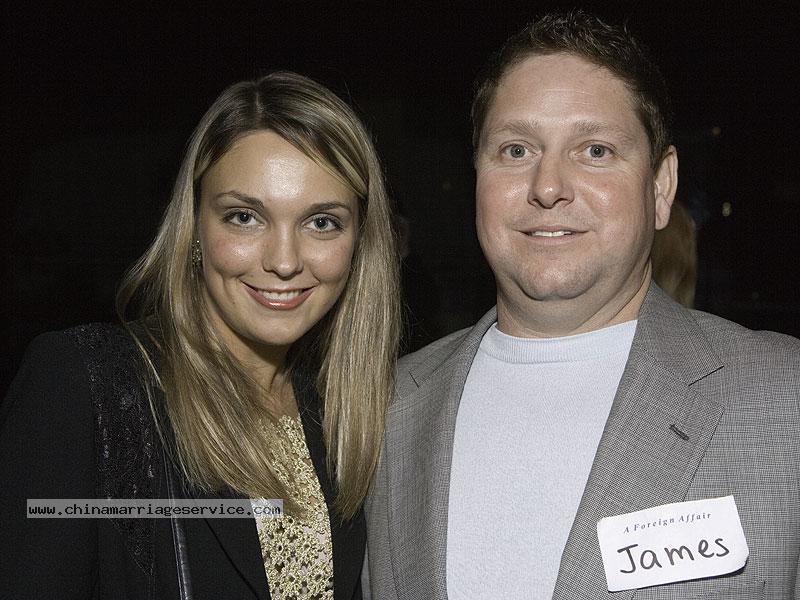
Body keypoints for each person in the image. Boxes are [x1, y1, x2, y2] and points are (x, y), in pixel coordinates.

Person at [363, 11, 799, 600]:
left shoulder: (781, 395)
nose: (548, 186)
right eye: (516, 149)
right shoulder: (386, 411)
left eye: (594, 150)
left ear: (661, 186)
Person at [0, 71, 400, 599]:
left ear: (358, 243)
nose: (284, 261)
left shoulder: (344, 415)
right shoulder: (88, 387)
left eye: (321, 222)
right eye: (244, 217)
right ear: (194, 228)